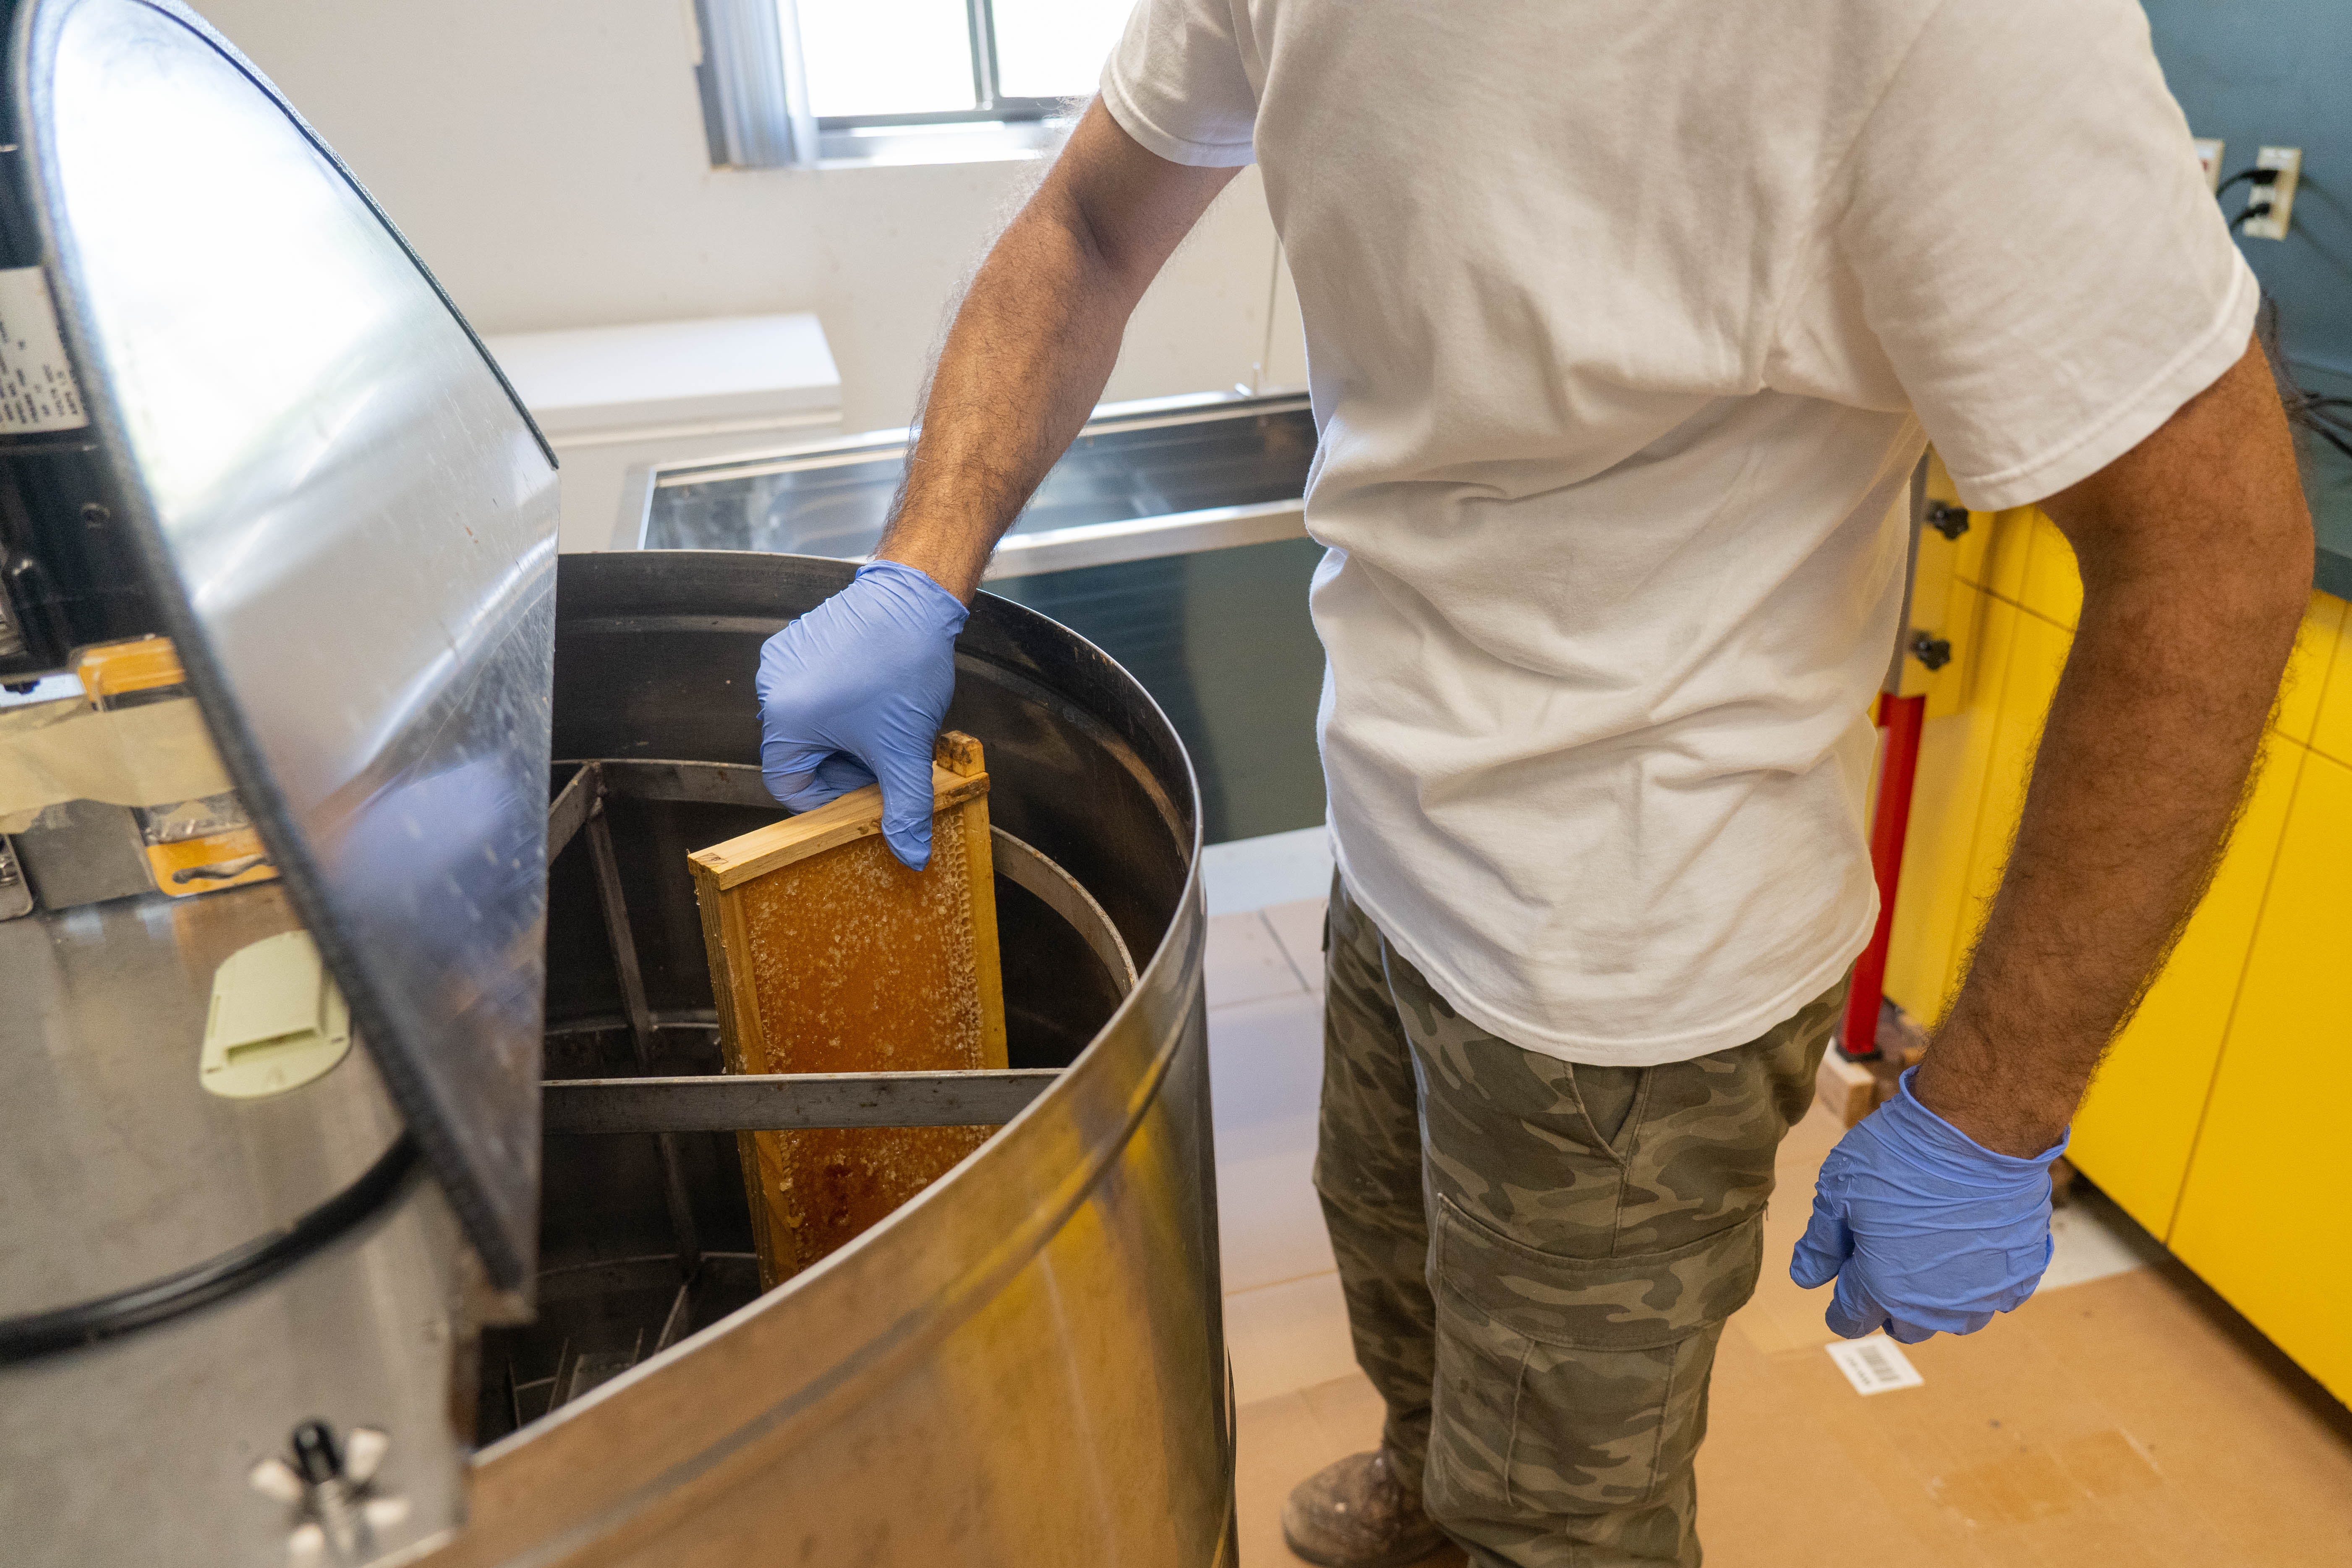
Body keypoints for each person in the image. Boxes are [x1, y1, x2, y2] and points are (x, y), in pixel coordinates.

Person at [750, 2, 2315, 1563]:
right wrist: (920, 565)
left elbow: (2212, 547)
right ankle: (1422, 1503)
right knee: (1397, 1283)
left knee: (1564, 1519)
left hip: (1634, 974)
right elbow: (1088, 227)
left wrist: (1991, 1108)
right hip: (1393, 828)